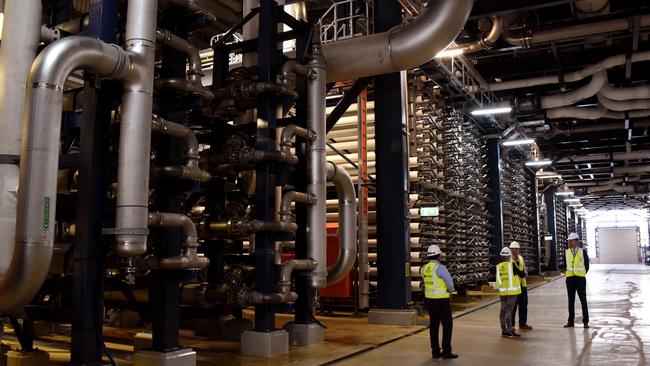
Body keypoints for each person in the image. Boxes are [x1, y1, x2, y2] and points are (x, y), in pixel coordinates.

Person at [421, 244, 458, 359]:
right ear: (438, 256)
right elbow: (450, 284)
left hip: (429, 301)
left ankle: (435, 351)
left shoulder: (424, 269)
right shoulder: (440, 268)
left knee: (434, 326)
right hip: (441, 301)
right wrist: (451, 291)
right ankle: (446, 351)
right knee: (447, 325)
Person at [496, 247, 525, 338]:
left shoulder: (498, 266)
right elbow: (522, 274)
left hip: (503, 292)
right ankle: (509, 331)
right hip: (512, 292)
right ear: (509, 256)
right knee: (509, 312)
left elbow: (498, 280)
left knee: (503, 311)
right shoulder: (512, 265)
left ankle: (504, 330)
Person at [563, 232, 590, 328]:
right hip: (570, 279)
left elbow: (587, 266)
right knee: (571, 301)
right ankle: (570, 322)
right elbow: (565, 265)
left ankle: (585, 321)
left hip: (580, 279)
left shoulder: (583, 252)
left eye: (572, 241)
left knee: (583, 300)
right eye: (569, 241)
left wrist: (581, 273)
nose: (570, 242)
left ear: (577, 241)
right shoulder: (566, 252)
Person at [509, 241, 533, 330]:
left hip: (522, 285)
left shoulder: (521, 258)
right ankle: (511, 325)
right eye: (513, 249)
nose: (514, 250)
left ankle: (522, 324)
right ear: (510, 249)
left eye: (516, 249)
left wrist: (525, 274)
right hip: (514, 287)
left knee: (523, 305)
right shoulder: (509, 260)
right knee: (513, 306)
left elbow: (524, 270)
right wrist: (522, 274)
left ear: (518, 249)